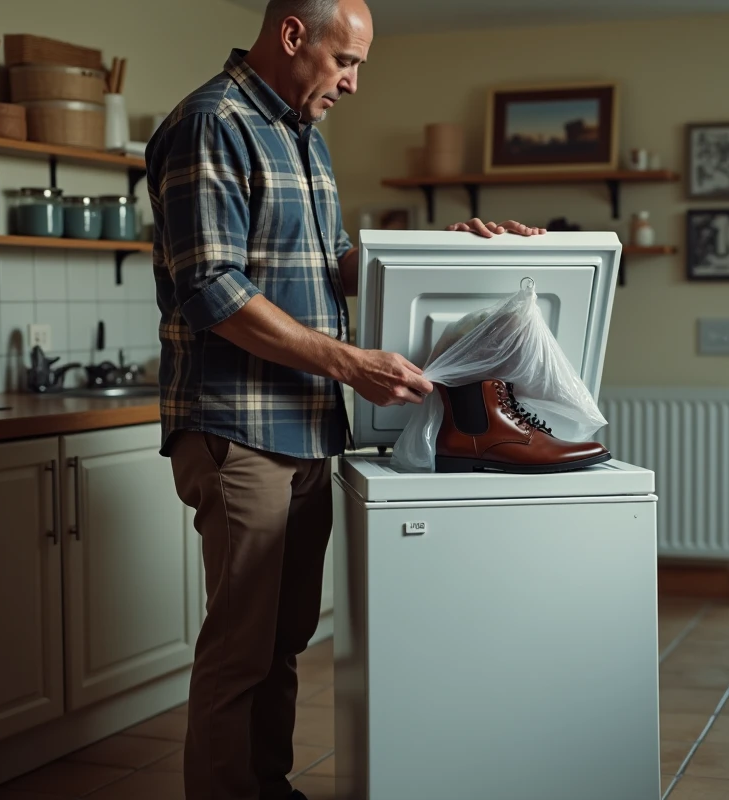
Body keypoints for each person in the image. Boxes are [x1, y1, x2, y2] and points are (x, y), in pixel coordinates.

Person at [145, 1, 545, 797]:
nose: (354, 83)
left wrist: (441, 246)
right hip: (239, 429)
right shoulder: (210, 123)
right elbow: (213, 289)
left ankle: (268, 786)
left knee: (286, 636)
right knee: (240, 647)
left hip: (305, 426)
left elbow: (328, 263)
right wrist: (350, 363)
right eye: (346, 61)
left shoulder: (302, 135)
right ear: (293, 35)